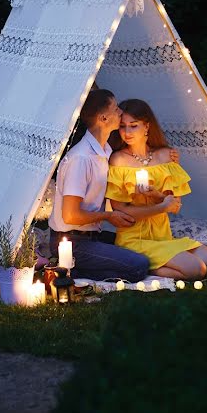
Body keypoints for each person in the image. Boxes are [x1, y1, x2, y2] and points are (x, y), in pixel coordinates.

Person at [106, 99, 207, 279]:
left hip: (163, 237)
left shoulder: (166, 155)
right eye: (123, 126)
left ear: (147, 126)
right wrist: (161, 207)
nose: (127, 132)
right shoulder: (118, 160)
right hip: (134, 239)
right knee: (196, 269)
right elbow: (121, 210)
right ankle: (140, 268)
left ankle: (156, 264)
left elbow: (174, 206)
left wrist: (156, 195)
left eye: (133, 126)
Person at [48, 89, 151, 282]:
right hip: (71, 243)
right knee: (139, 266)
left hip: (91, 236)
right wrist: (109, 216)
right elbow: (70, 215)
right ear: (103, 118)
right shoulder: (81, 159)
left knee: (139, 245)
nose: (120, 112)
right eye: (116, 108)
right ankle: (67, 270)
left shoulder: (104, 151)